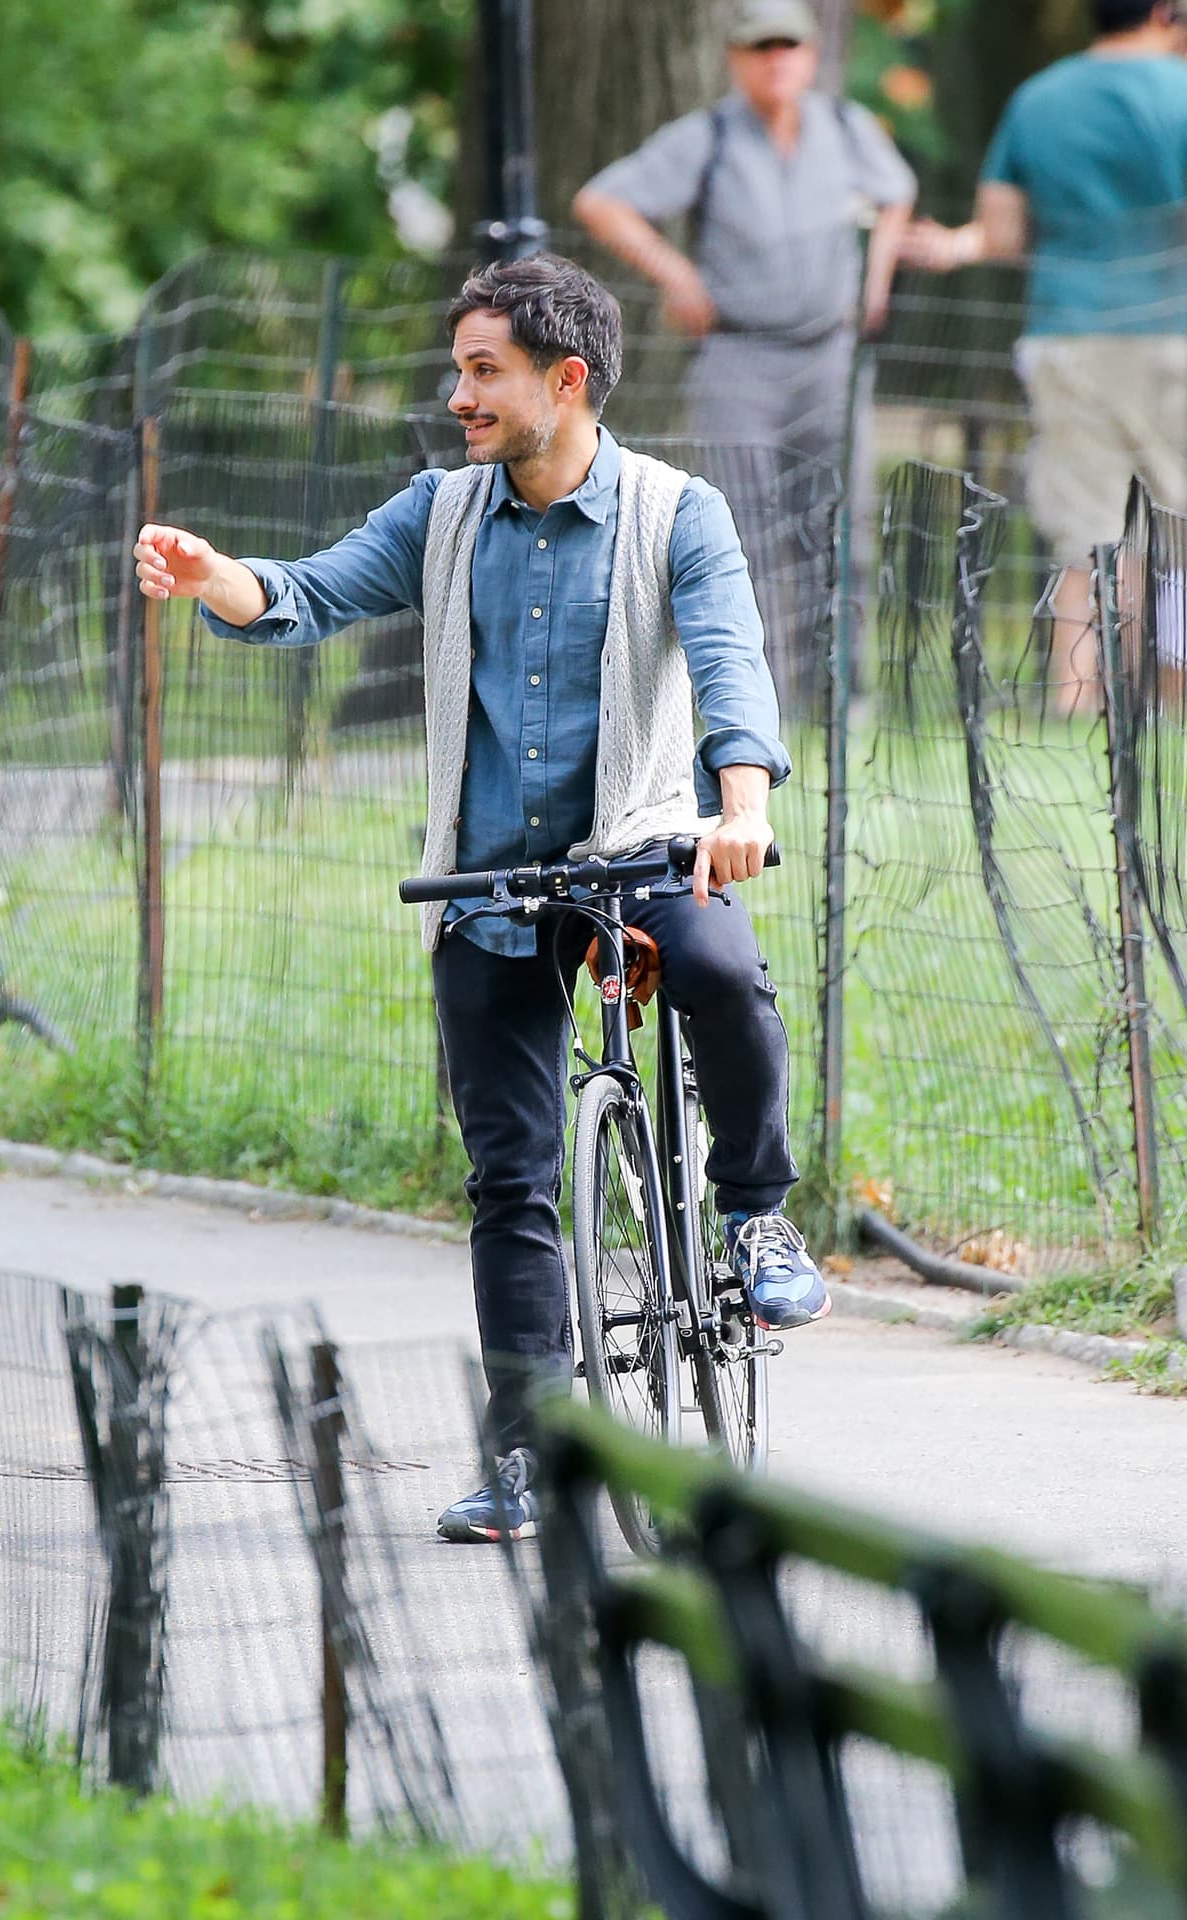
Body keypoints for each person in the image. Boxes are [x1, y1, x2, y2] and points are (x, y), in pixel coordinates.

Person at [133, 253, 828, 1544]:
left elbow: (732, 668)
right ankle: (529, 1459)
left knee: (725, 976)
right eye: (460, 370)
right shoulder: (443, 514)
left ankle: (755, 1214)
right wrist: (213, 573)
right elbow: (307, 595)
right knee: (512, 1181)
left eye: (482, 371)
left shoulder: (678, 514)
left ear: (566, 381)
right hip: (490, 877)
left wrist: (741, 811)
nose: (459, 395)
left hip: (643, 844)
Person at [572, 0, 916, 704]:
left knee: (841, 520)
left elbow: (897, 195)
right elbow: (602, 201)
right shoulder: (709, 136)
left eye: (789, 45)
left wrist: (874, 281)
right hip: (739, 357)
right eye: (761, 48)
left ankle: (843, 699)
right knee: (746, 528)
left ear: (811, 55)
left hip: (832, 356)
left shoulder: (846, 127)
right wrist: (679, 276)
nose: (776, 60)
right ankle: (763, 699)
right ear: (735, 59)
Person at [903, 0, 1187, 715]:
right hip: (1173, 336)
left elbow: (1000, 231)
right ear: (1163, 13)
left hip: (1067, 339)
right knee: (1182, 538)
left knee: (1088, 537)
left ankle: (1076, 705)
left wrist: (959, 243)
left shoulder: (1039, 98)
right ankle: (1177, 705)